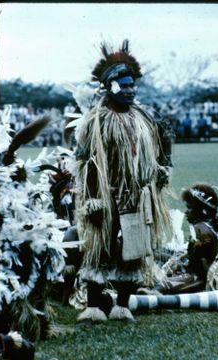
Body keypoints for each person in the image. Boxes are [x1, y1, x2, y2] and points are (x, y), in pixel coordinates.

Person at [71, 39, 174, 324]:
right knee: (99, 246)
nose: (129, 90)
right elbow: (84, 160)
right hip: (105, 194)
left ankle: (122, 306)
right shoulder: (96, 121)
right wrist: (92, 196)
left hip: (137, 195)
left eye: (132, 86)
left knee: (134, 248)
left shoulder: (144, 119)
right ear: (109, 87)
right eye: (123, 86)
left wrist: (161, 173)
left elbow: (162, 147)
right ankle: (93, 306)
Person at [145, 183, 218, 294]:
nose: (186, 212)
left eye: (189, 208)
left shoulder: (200, 228)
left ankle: (155, 292)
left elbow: (198, 261)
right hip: (208, 275)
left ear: (201, 210)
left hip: (202, 278)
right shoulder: (217, 224)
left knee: (168, 281)